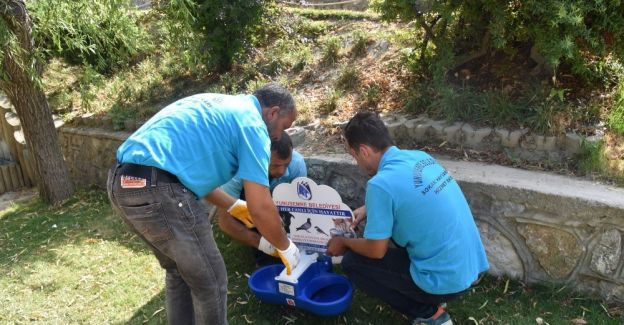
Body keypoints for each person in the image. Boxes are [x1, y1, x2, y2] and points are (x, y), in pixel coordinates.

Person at [106, 83, 301, 325]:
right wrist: (286, 246)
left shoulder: (220, 104)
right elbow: (261, 206)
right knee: (211, 281)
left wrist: (233, 206)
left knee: (181, 272)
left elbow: (186, 173)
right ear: (272, 112)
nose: (279, 136)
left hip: (122, 183)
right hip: (161, 190)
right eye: (284, 127)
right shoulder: (253, 124)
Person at [326, 111, 489, 325]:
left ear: (363, 151)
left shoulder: (379, 185)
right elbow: (411, 196)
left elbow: (376, 251)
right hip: (472, 267)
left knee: (353, 263)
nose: (357, 162)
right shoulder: (420, 157)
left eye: (354, 156)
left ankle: (429, 313)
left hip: (446, 281)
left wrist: (344, 242)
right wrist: (368, 208)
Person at [216, 131, 307, 266]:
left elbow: (303, 207)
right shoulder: (235, 172)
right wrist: (260, 243)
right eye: (275, 165)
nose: (282, 171)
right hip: (248, 199)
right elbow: (225, 221)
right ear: (259, 158)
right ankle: (265, 259)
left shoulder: (297, 164)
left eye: (286, 164)